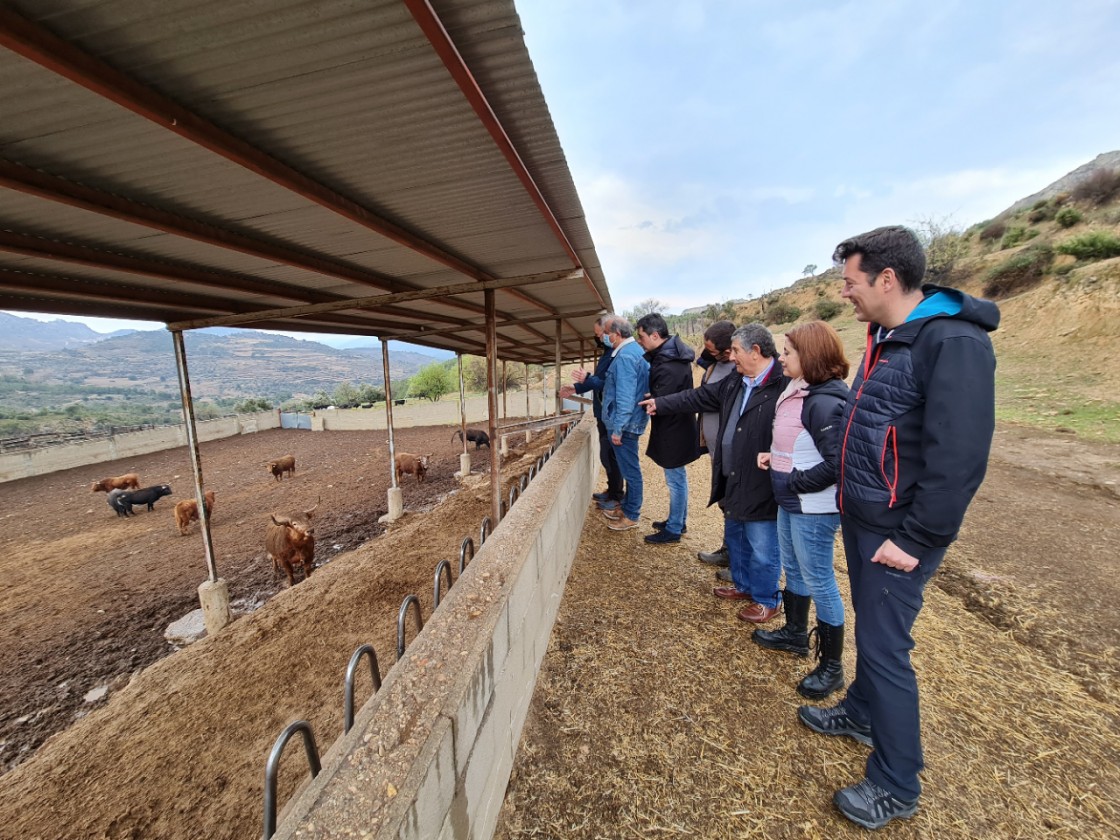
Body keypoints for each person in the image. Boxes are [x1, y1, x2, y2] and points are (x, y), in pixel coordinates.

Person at [798, 226, 999, 830]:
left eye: (851, 282)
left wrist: (916, 539)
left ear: (887, 279)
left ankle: (896, 781)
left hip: (898, 531)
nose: (845, 293)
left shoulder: (953, 342)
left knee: (887, 648)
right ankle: (860, 711)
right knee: (873, 632)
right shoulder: (888, 336)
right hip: (867, 518)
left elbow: (959, 457)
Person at [641, 323, 787, 622]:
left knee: (761, 542)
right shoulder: (736, 380)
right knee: (736, 533)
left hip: (759, 476)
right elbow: (697, 397)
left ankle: (767, 598)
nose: (731, 357)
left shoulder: (782, 385)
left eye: (736, 351)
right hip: (731, 471)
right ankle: (743, 584)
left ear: (755, 351)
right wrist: (661, 403)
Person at [753, 320, 850, 700]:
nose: (782, 357)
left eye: (789, 352)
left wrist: (794, 481)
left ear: (809, 356)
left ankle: (832, 667)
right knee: (794, 568)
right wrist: (775, 457)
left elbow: (835, 463)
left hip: (813, 506)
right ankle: (795, 633)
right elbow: (797, 445)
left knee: (821, 579)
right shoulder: (798, 390)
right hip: (792, 500)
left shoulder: (825, 402)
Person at [635, 313, 701, 544]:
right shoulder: (670, 357)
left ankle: (674, 529)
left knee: (676, 479)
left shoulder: (668, 362)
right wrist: (655, 396)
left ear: (655, 335)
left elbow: (667, 399)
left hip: (674, 427)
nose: (640, 341)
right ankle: (677, 520)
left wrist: (653, 401)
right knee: (677, 476)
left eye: (642, 336)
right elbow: (670, 394)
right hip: (677, 424)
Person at [562, 314, 625, 510]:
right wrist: (576, 388)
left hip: (609, 412)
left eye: (602, 334)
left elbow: (607, 384)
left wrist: (586, 378)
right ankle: (612, 490)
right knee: (606, 455)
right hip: (601, 411)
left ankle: (617, 496)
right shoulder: (608, 352)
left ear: (612, 332)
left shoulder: (618, 354)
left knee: (612, 456)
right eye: (598, 335)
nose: (599, 338)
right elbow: (598, 382)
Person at [694, 320, 737, 570]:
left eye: (711, 349)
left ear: (728, 349)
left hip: (730, 449)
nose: (706, 352)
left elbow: (707, 399)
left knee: (735, 503)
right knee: (724, 501)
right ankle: (728, 550)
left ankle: (739, 561)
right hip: (716, 448)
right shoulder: (713, 364)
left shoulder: (738, 369)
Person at [600, 316, 650, 532]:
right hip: (629, 422)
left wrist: (618, 428)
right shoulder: (631, 352)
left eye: (606, 333)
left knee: (631, 471)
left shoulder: (626, 356)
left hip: (626, 425)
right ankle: (627, 507)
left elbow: (625, 396)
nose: (604, 337)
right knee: (629, 468)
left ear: (616, 334)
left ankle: (631, 514)